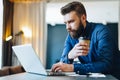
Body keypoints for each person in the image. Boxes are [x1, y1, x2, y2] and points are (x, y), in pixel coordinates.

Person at [51, 1, 117, 75]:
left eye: (71, 22)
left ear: (83, 18)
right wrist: (69, 56)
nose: (67, 27)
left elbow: (107, 65)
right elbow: (62, 65)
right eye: (66, 23)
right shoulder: (71, 36)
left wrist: (73, 67)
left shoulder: (101, 32)